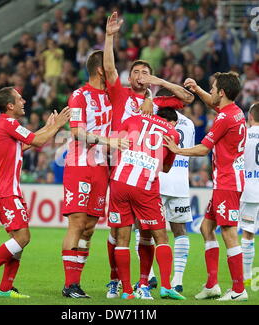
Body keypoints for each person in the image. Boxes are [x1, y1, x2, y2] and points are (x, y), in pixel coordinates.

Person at [104, 11, 194, 299]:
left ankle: (141, 284)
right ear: (129, 76)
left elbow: (187, 99)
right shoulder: (120, 94)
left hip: (143, 170)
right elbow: (108, 69)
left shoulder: (155, 103)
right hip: (118, 164)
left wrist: (159, 81)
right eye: (136, 72)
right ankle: (116, 281)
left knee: (144, 233)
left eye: (145, 72)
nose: (140, 76)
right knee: (117, 232)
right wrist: (109, 38)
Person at [0, 86, 70, 298]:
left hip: (4, 189)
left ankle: (5, 289)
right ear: (10, 105)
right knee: (23, 237)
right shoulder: (9, 123)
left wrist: (47, 126)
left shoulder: (3, 125)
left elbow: (26, 143)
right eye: (19, 99)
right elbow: (39, 141)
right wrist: (58, 126)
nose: (24, 101)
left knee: (17, 241)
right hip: (5, 190)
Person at [165, 72, 248, 301]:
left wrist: (177, 149)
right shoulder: (235, 111)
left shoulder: (224, 118)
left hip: (227, 183)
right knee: (206, 228)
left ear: (221, 92)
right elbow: (214, 103)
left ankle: (239, 289)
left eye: (212, 88)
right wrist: (197, 89)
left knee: (230, 233)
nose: (210, 91)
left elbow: (203, 148)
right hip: (226, 180)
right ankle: (212, 285)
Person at [61, 50, 129, 299]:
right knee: (77, 223)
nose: (115, 70)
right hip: (80, 164)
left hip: (102, 168)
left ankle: (76, 284)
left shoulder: (112, 95)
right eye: (110, 66)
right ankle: (70, 285)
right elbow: (77, 131)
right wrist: (108, 140)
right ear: (100, 69)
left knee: (90, 228)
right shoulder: (79, 96)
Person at [108, 107, 186, 300]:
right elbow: (166, 168)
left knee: (122, 239)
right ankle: (162, 286)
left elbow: (118, 145)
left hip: (119, 181)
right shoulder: (172, 132)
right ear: (172, 122)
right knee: (159, 237)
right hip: (145, 186)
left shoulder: (133, 118)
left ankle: (126, 291)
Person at [134, 86, 195, 294]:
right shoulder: (189, 124)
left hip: (156, 180)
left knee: (143, 230)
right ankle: (177, 280)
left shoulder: (154, 121)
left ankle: (149, 277)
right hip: (180, 184)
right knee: (180, 231)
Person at [239, 102, 259, 286]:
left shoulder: (244, 135)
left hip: (250, 190)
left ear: (250, 117)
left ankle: (246, 278)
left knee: (248, 234)